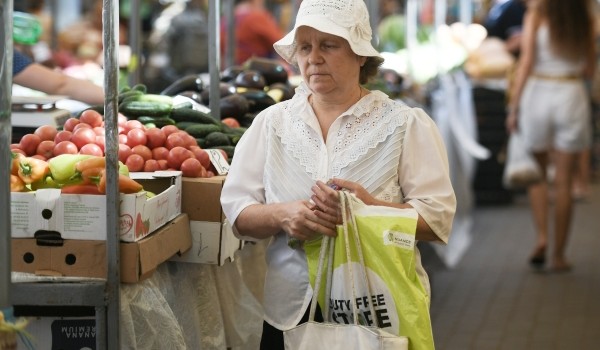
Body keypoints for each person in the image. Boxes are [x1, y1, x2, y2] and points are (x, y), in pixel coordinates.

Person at [220, 0, 457, 348]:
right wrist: (283, 216)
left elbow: (437, 220)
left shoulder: (403, 125)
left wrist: (368, 209)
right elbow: (237, 213)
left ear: (360, 55)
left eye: (328, 45)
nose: (313, 58)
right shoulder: (272, 124)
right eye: (305, 47)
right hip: (289, 312)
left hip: (375, 313)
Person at [505, 0, 596, 272]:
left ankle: (542, 238)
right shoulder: (585, 18)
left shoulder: (537, 14)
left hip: (538, 94)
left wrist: (514, 107)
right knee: (565, 181)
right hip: (571, 94)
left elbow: (527, 62)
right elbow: (590, 68)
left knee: (539, 177)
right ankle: (559, 256)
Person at [13, 49, 104, 106]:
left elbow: (61, 84)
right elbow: (60, 84)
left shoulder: (7, 54)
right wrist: (114, 99)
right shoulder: (6, 54)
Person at [220, 0, 284, 65]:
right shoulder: (256, 17)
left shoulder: (224, 20)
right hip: (256, 69)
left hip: (231, 69)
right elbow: (283, 44)